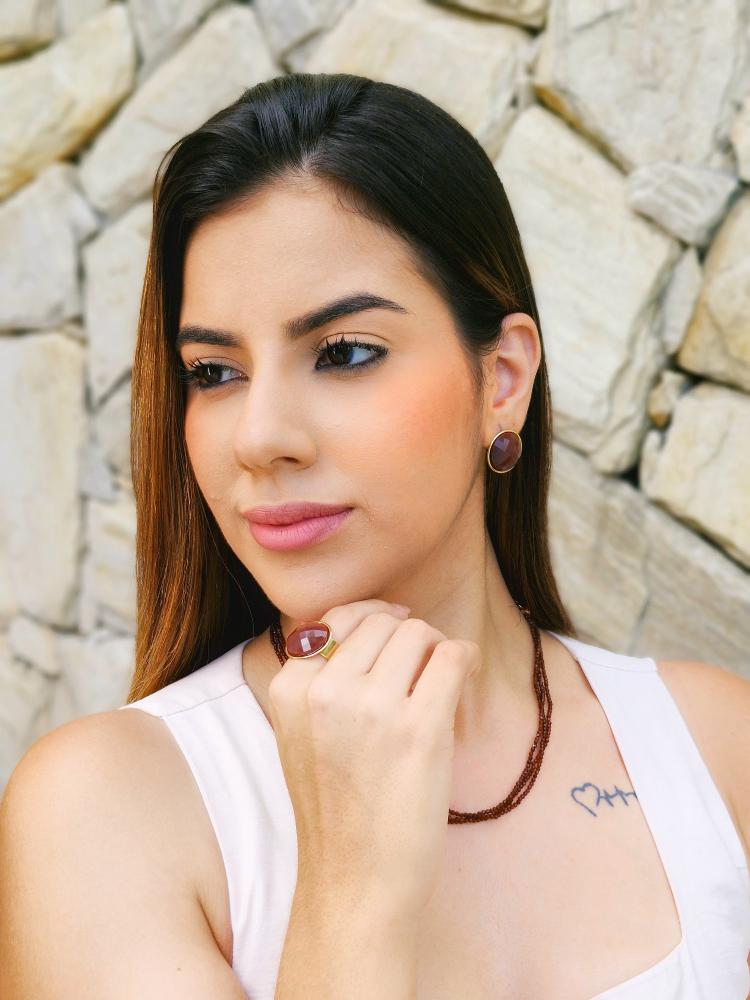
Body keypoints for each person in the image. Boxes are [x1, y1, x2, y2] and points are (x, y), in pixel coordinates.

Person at [1, 72, 748, 1000]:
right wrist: (351, 888)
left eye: (343, 353)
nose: (260, 438)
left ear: (502, 380)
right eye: (214, 371)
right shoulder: (104, 812)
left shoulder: (715, 747)